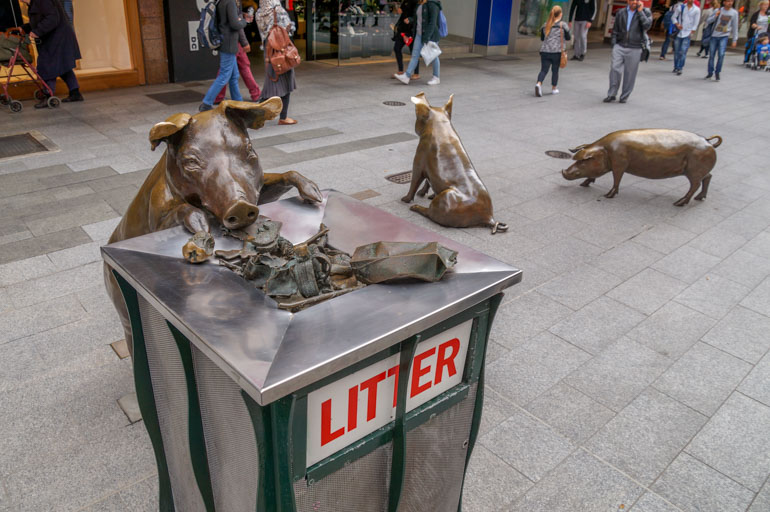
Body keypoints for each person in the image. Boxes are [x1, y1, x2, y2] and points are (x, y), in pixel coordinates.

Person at [19, 0, 83, 107]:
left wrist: (38, 31)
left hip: (58, 37)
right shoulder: (35, 3)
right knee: (63, 66)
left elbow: (52, 18)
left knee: (47, 65)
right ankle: (75, 92)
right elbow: (41, 19)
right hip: (57, 36)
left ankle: (49, 95)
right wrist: (26, 28)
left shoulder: (42, 1)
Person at [199, 0, 253, 111]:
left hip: (225, 42)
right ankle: (206, 103)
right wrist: (244, 21)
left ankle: (238, 103)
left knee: (233, 76)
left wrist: (240, 17)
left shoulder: (220, 1)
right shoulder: (230, 2)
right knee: (224, 76)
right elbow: (235, 24)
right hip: (229, 43)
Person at [257, 0, 298, 125]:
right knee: (285, 82)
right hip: (281, 51)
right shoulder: (278, 9)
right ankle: (282, 117)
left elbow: (263, 33)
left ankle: (282, 116)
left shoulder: (259, 12)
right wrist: (292, 26)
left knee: (272, 82)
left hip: (269, 51)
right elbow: (289, 28)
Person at [214, 1, 261, 104]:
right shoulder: (233, 2)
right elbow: (236, 26)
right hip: (234, 41)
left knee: (229, 72)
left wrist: (241, 16)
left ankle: (218, 97)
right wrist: (244, 42)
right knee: (239, 68)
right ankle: (255, 94)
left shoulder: (220, 2)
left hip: (227, 40)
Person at [604, 0, 651, 103]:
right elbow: (615, 29)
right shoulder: (621, 12)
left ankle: (624, 96)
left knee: (630, 73)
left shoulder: (646, 12)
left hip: (635, 47)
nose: (634, 2)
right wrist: (614, 43)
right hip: (620, 46)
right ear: (628, 1)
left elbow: (647, 26)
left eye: (636, 0)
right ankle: (612, 94)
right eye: (632, 0)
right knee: (614, 69)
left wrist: (640, 12)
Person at [394, 0, 442, 86]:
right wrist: (411, 19)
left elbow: (432, 23)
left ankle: (436, 77)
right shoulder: (420, 3)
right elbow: (418, 18)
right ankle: (406, 76)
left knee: (434, 56)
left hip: (430, 35)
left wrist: (427, 37)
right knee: (415, 55)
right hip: (419, 34)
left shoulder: (433, 4)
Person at [536, 6, 571, 96]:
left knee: (543, 70)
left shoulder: (545, 25)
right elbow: (568, 38)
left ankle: (538, 84)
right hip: (557, 52)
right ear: (560, 14)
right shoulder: (563, 25)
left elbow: (542, 38)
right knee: (555, 70)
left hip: (545, 51)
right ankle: (554, 88)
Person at [704, 0, 738, 81]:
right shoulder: (718, 10)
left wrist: (734, 39)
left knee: (721, 54)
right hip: (714, 35)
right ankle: (710, 72)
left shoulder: (734, 13)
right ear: (724, 2)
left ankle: (717, 72)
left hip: (724, 36)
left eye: (731, 1)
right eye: (728, 1)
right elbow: (708, 21)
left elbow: (735, 26)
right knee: (711, 54)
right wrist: (715, 16)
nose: (730, 3)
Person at [392, 0, 420, 79]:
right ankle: (400, 70)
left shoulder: (416, 2)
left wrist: (410, 19)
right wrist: (400, 10)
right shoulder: (405, 1)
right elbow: (402, 10)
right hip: (402, 29)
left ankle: (416, 73)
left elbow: (416, 15)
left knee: (413, 52)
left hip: (411, 30)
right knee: (397, 48)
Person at [672, 0, 700, 74]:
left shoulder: (696, 9)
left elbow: (696, 22)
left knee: (683, 50)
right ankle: (676, 66)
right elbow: (673, 17)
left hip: (688, 32)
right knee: (677, 51)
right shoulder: (681, 7)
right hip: (679, 32)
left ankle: (680, 67)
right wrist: (677, 24)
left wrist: (693, 31)